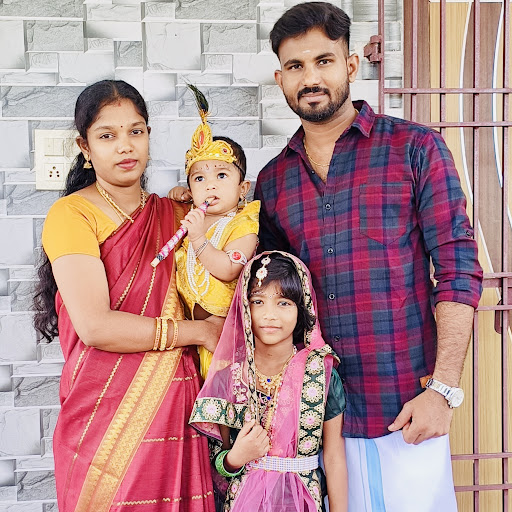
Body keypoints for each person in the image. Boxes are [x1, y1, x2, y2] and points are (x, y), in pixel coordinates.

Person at [254, 3, 483, 511]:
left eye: (324, 61)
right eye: (295, 66)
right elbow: (269, 296)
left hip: (406, 410)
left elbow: (459, 269)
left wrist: (443, 390)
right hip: (315, 422)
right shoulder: (273, 182)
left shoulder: (415, 149)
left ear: (351, 65)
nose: (311, 78)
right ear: (280, 78)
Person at [33, 80, 221, 512]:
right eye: (107, 135)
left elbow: (226, 272)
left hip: (178, 410)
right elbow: (95, 326)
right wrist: (199, 332)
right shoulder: (71, 214)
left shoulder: (177, 215)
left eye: (136, 131)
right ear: (84, 147)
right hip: (101, 421)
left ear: (149, 135)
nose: (125, 146)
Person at [190, 251, 347, 512]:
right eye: (258, 301)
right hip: (243, 503)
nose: (270, 315)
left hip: (303, 503)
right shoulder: (227, 379)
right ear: (244, 307)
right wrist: (235, 458)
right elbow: (213, 462)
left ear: (302, 308)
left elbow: (334, 457)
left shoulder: (321, 373)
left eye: (283, 303)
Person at [169, 85, 260, 379]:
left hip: (226, 336)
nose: (210, 185)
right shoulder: (195, 216)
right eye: (199, 178)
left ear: (242, 188)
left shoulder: (242, 225)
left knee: (223, 394)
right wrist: (177, 197)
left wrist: (197, 239)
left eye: (221, 175)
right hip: (193, 335)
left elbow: (228, 268)